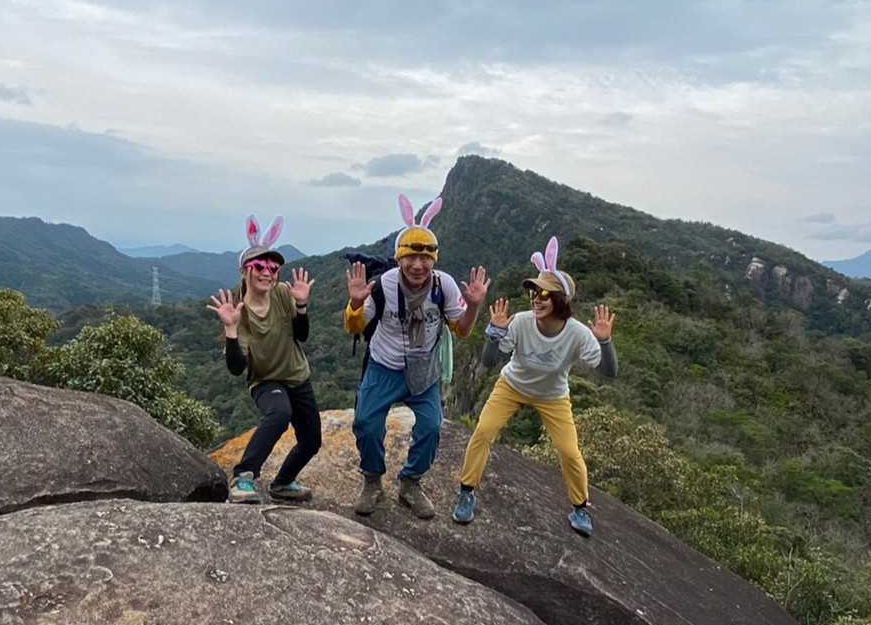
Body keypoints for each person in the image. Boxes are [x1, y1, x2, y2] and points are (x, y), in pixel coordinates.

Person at [451, 236, 618, 536]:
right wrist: (494, 333)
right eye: (534, 292)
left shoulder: (578, 334)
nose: (536, 299)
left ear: (561, 300)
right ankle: (466, 492)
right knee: (484, 431)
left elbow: (609, 371)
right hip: (512, 385)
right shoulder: (521, 322)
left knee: (569, 452)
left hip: (552, 396)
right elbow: (489, 361)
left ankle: (580, 508)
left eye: (545, 294)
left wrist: (605, 342)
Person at [345, 194, 490, 519]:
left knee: (431, 427)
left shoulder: (444, 285)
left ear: (434, 260)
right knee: (366, 424)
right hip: (384, 366)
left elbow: (461, 329)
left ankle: (410, 484)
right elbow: (354, 326)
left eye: (425, 257)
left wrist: (474, 306)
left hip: (423, 368)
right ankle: (372, 481)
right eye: (411, 257)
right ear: (399, 258)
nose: (418, 265)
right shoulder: (383, 284)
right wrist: (355, 303)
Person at [207, 215, 322, 504]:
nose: (267, 273)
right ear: (245, 270)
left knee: (311, 441)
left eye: (273, 268)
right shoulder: (239, 310)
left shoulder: (282, 294)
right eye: (259, 266)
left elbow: (301, 335)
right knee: (279, 413)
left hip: (297, 376)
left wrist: (302, 305)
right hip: (265, 380)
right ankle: (243, 477)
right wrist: (231, 330)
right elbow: (237, 368)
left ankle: (282, 483)